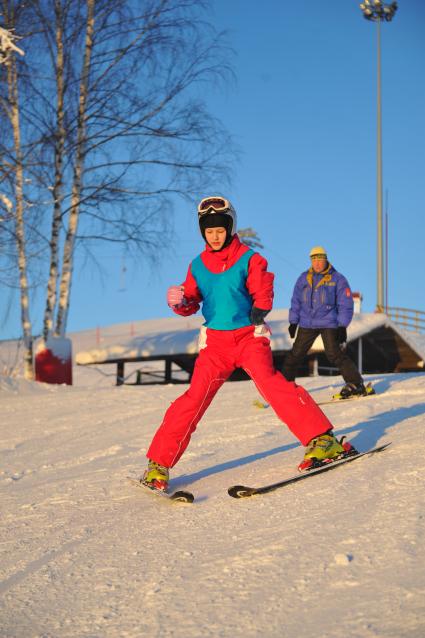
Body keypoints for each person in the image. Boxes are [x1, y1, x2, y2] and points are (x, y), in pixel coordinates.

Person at [142, 199, 356, 488]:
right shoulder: (197, 265)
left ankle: (322, 439)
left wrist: (262, 305)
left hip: (247, 337)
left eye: (220, 230)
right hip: (214, 344)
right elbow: (191, 300)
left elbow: (262, 284)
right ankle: (158, 465)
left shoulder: (249, 258)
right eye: (209, 231)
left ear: (230, 228)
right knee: (194, 398)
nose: (215, 236)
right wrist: (180, 302)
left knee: (272, 385)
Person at [282, 246, 375, 399]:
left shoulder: (337, 279)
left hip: (329, 323)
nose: (317, 263)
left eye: (320, 260)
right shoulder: (303, 278)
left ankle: (356, 384)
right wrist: (293, 321)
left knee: (334, 354)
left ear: (326, 260)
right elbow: (296, 301)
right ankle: (285, 388)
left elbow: (346, 304)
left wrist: (342, 325)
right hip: (307, 322)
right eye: (314, 260)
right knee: (295, 355)